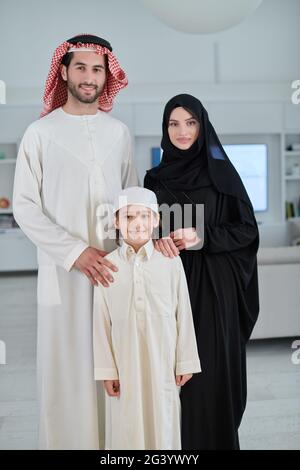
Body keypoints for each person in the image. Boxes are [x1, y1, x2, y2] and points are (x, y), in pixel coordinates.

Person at [13, 34, 138, 449]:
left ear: (107, 76)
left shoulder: (119, 133)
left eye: (97, 69)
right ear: (63, 71)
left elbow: (132, 199)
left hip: (114, 272)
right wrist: (75, 252)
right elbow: (25, 207)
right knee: (66, 374)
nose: (89, 77)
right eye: (80, 67)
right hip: (62, 275)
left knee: (115, 369)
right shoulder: (39, 133)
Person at [144, 94, 259, 450]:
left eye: (190, 123)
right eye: (174, 123)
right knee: (177, 378)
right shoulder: (154, 179)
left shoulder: (221, 175)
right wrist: (157, 240)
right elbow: (142, 231)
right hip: (170, 287)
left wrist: (202, 236)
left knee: (210, 374)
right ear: (165, 129)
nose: (182, 131)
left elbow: (247, 231)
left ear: (202, 126)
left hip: (214, 290)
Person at [93, 186, 201, 450]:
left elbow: (183, 312)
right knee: (126, 424)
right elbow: (101, 323)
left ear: (156, 221)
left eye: (144, 216)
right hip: (125, 361)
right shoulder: (109, 265)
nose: (137, 223)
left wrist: (185, 360)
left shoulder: (171, 261)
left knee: (163, 419)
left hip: (162, 360)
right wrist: (108, 370)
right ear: (117, 222)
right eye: (129, 217)